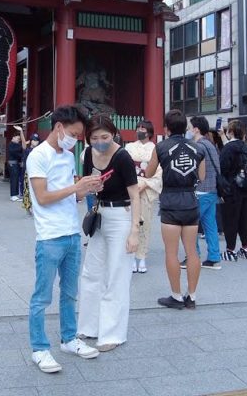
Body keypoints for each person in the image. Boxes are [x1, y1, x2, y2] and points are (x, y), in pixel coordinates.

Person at [26, 104, 102, 373]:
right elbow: (43, 198)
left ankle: (69, 339)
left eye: (78, 136)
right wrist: (76, 187)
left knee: (70, 293)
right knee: (41, 297)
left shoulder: (69, 156)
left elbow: (70, 195)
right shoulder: (38, 156)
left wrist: (86, 189)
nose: (75, 139)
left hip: (71, 233)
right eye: (73, 133)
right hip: (49, 237)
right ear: (59, 127)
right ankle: (39, 348)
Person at [77, 114, 140, 352]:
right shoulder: (89, 154)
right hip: (100, 214)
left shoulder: (123, 157)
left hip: (121, 217)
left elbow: (135, 195)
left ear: (113, 134)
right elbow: (85, 184)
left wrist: (135, 230)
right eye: (94, 138)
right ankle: (89, 326)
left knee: (117, 274)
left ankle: (112, 333)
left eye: (105, 136)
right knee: (91, 272)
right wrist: (92, 186)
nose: (100, 141)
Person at [146, 109, 205, 309]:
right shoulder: (198, 148)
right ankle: (193, 296)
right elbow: (202, 177)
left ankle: (176, 296)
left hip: (170, 201)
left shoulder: (160, 147)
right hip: (190, 201)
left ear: (167, 128)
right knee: (192, 252)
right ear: (185, 128)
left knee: (171, 252)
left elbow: (149, 171)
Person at [123, 120, 162, 274]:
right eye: (138, 128)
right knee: (131, 223)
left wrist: (145, 184)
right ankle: (131, 255)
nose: (140, 130)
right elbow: (125, 167)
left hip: (146, 189)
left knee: (144, 224)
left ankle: (142, 257)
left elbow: (159, 171)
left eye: (143, 128)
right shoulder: (129, 147)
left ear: (149, 132)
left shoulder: (155, 149)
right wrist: (132, 184)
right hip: (131, 187)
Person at [185, 116, 221, 269]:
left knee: (190, 225)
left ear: (196, 129)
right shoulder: (210, 144)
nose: (188, 130)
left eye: (189, 127)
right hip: (212, 190)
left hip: (201, 191)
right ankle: (214, 258)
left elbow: (194, 169)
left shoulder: (197, 145)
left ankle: (193, 257)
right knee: (210, 225)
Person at [219, 120, 247, 261]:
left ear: (231, 132)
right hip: (244, 187)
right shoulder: (244, 147)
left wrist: (221, 190)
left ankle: (230, 250)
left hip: (231, 189)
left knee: (230, 219)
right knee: (244, 218)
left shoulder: (228, 148)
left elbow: (222, 170)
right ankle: (245, 248)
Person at [8, 128, 26, 202]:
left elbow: (20, 151)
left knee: (16, 179)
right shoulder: (11, 144)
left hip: (15, 164)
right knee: (14, 179)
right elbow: (16, 151)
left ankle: (15, 194)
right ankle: (13, 195)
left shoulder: (15, 144)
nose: (19, 140)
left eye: (19, 139)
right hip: (12, 164)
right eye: (18, 139)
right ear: (13, 137)